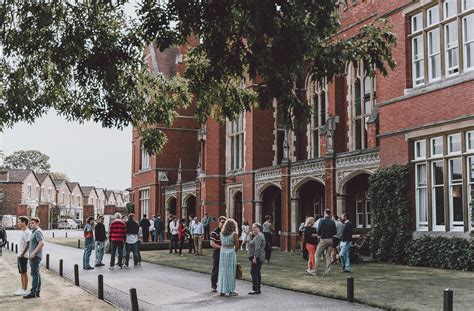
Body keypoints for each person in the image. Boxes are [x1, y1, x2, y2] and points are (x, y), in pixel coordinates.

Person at [23, 217, 44, 299]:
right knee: (37, 274)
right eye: (30, 223)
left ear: (37, 223)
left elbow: (41, 243)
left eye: (33, 223)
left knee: (34, 275)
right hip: (34, 256)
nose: (31, 224)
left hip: (35, 257)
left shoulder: (38, 232)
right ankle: (37, 292)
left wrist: (33, 253)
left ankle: (33, 293)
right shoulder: (34, 231)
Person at [217, 218, 239, 297]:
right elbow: (237, 246)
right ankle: (230, 290)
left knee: (222, 270)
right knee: (230, 271)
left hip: (223, 251)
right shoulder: (234, 234)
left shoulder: (221, 233)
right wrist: (234, 251)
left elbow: (222, 242)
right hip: (230, 251)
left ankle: (222, 289)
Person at [314, 209, 337, 275]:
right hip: (330, 240)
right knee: (328, 256)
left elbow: (318, 232)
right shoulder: (332, 222)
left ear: (324, 213)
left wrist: (320, 234)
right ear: (330, 214)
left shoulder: (322, 221)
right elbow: (335, 232)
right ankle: (328, 271)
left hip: (323, 239)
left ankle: (316, 270)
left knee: (317, 254)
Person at [247, 222, 266, 295]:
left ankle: (256, 289)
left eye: (254, 228)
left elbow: (257, 248)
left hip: (257, 257)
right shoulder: (257, 236)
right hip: (259, 256)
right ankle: (257, 288)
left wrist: (255, 257)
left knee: (254, 272)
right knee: (257, 272)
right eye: (252, 228)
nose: (253, 229)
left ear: (258, 228)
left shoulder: (259, 237)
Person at [14, 216, 31, 296]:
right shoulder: (23, 232)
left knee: (24, 273)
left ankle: (25, 290)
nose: (18, 223)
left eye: (20, 222)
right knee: (21, 273)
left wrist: (22, 254)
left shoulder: (27, 232)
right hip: (20, 255)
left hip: (23, 256)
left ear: (24, 223)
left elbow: (28, 244)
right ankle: (22, 289)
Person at [210, 216, 226, 292]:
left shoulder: (226, 232)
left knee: (225, 269)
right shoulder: (215, 232)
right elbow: (212, 244)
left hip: (225, 252)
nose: (223, 224)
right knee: (216, 269)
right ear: (219, 222)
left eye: (225, 222)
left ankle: (223, 285)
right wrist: (222, 247)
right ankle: (213, 285)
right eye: (222, 222)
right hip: (218, 252)